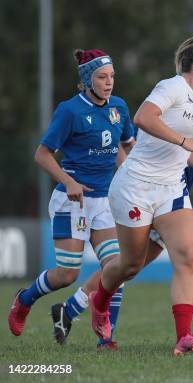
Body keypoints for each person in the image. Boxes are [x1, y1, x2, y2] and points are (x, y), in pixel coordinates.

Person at [52, 90, 193, 345]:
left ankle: (70, 308)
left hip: (173, 202)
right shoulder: (169, 117)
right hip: (152, 199)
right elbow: (140, 148)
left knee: (128, 267)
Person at [88, 36, 193, 356]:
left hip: (171, 190)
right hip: (135, 187)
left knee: (187, 254)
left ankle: (184, 336)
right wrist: (184, 142)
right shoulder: (173, 86)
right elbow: (143, 118)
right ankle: (100, 298)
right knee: (130, 265)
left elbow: (189, 157)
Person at [8, 49, 135, 350]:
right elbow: (42, 154)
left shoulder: (119, 107)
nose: (109, 83)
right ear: (87, 80)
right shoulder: (70, 111)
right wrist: (69, 181)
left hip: (105, 201)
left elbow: (123, 145)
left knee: (117, 268)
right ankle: (24, 300)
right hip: (72, 201)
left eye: (112, 76)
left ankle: (106, 337)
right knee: (67, 274)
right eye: (102, 77)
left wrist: (129, 176)